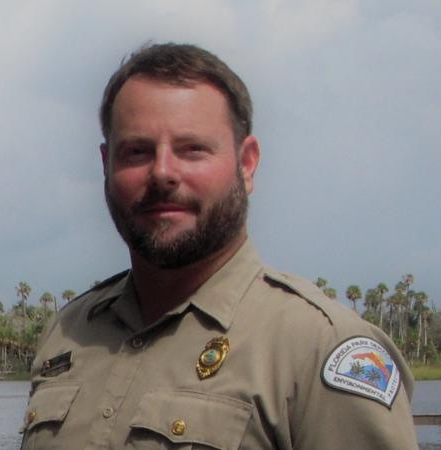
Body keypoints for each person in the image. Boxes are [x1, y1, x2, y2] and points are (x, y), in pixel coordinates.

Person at [20, 43, 417, 450]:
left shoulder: (318, 346)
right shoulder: (69, 333)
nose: (162, 173)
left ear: (247, 165)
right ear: (106, 166)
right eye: (137, 152)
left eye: (192, 149)